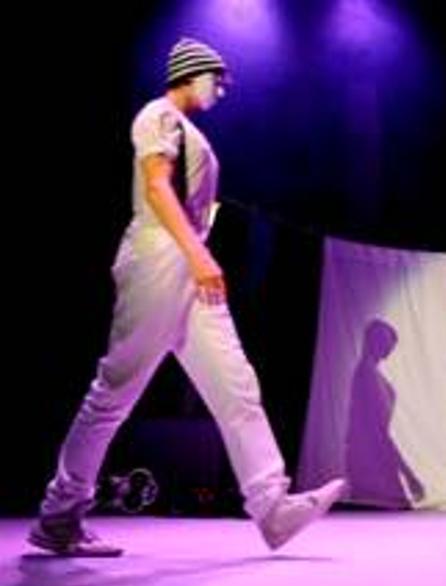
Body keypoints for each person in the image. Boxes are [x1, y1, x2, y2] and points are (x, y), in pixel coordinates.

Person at [28, 37, 345, 557]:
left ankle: (271, 506)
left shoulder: (186, 129)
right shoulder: (157, 115)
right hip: (160, 257)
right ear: (191, 74)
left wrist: (198, 254)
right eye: (217, 78)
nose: (222, 88)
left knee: (236, 384)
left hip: (187, 263)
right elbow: (157, 187)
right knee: (113, 393)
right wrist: (197, 255)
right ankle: (60, 515)